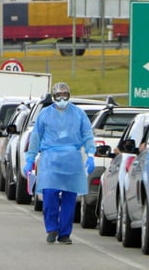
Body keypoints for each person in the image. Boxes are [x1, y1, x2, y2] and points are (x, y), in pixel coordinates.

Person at [24, 82, 95, 245]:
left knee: (70, 198)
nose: (62, 98)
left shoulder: (78, 114)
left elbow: (87, 134)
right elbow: (36, 137)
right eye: (58, 95)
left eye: (65, 95)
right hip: (50, 159)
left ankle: (64, 233)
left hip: (72, 159)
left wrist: (90, 154)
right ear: (53, 96)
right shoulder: (45, 114)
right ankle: (52, 228)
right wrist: (30, 158)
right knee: (49, 195)